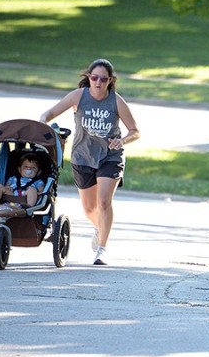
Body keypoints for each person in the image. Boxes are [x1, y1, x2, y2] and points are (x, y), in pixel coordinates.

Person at [39, 59, 140, 266]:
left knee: (103, 202)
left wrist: (121, 141)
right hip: (83, 156)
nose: (98, 82)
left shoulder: (116, 101)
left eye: (103, 79)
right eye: (94, 78)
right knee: (89, 208)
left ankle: (102, 249)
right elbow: (49, 113)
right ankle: (100, 228)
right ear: (88, 78)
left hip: (110, 156)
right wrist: (42, 123)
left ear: (110, 81)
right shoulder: (79, 96)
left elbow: (135, 131)